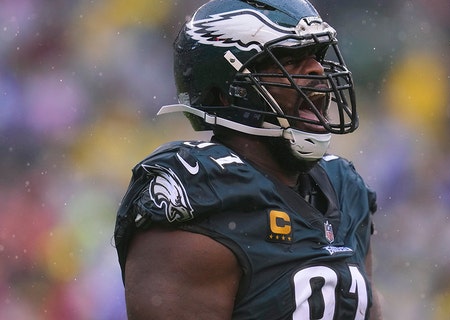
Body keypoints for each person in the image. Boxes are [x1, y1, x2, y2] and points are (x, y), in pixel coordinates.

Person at [114, 0, 382, 318]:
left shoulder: (344, 187)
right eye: (289, 58)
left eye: (316, 56)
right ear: (227, 91)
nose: (317, 70)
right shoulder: (202, 194)